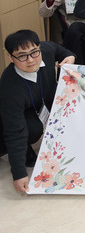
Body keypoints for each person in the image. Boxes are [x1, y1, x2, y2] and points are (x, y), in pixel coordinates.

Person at [0, 30, 75, 194]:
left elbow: (58, 49)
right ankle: (24, 153)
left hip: (40, 104)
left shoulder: (45, 51)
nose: (30, 60)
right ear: (11, 57)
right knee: (30, 129)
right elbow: (14, 131)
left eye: (34, 52)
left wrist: (69, 57)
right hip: (10, 120)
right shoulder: (9, 86)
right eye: (22, 56)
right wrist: (19, 173)